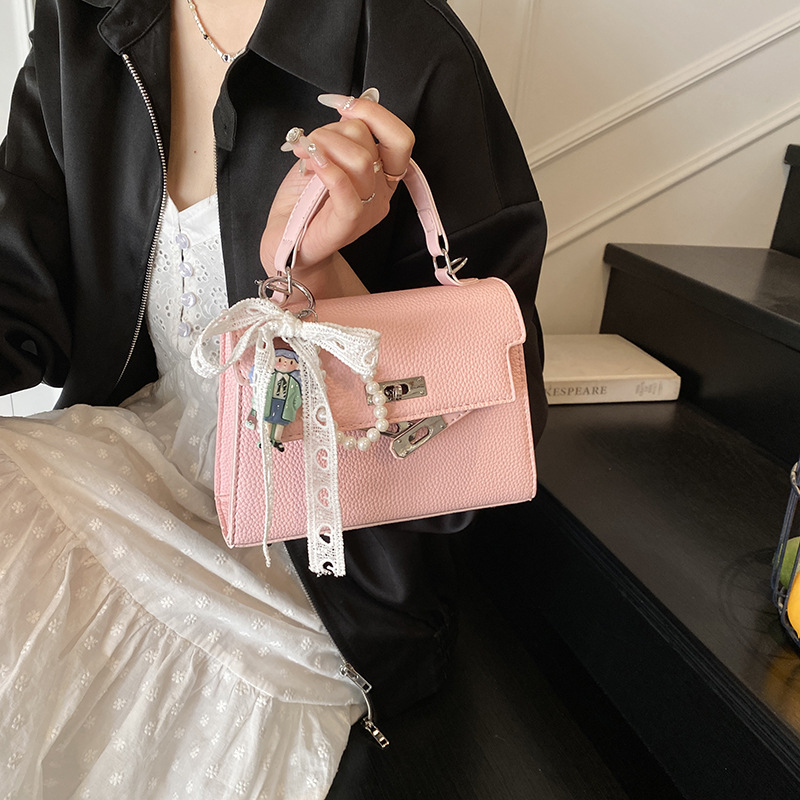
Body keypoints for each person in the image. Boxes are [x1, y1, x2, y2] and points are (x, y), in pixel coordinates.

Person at [0, 0, 548, 796]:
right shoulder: (82, 17)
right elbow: (21, 293)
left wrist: (318, 279)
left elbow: (487, 421)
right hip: (128, 469)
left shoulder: (407, 44)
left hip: (324, 558)